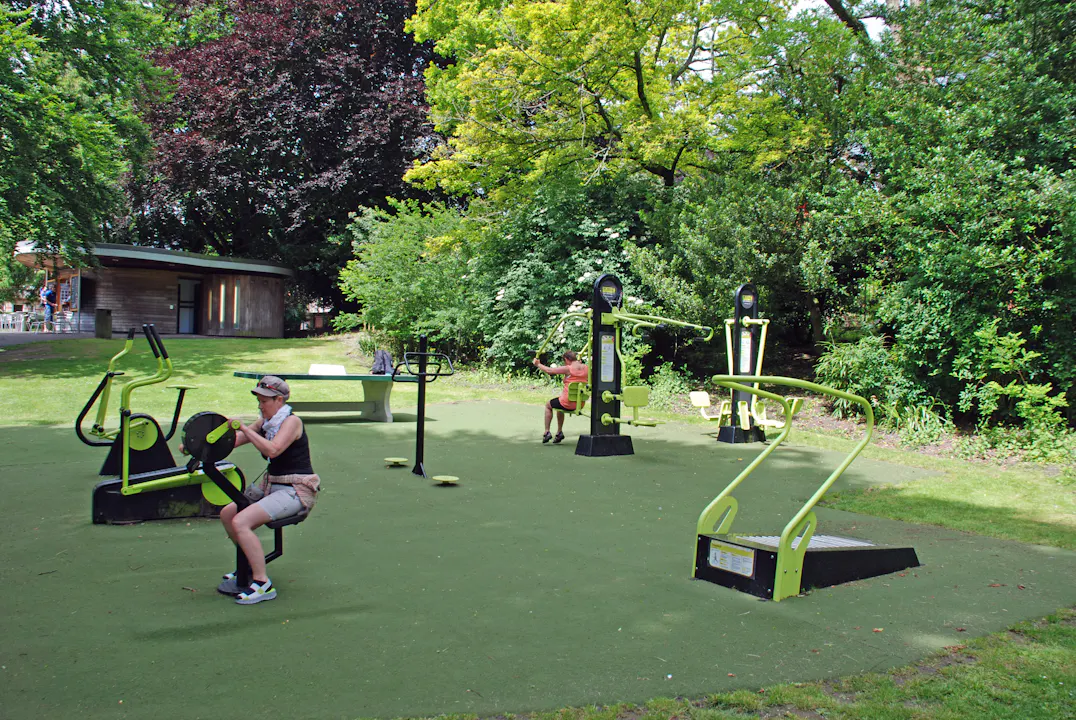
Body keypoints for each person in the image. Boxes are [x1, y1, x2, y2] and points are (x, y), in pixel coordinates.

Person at [217, 376, 321, 604]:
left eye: (264, 400)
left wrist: (246, 427)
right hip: (272, 485)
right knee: (228, 514)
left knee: (240, 522)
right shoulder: (264, 422)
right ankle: (247, 566)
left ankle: (263, 583)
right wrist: (199, 445)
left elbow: (273, 450)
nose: (260, 405)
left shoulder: (292, 422)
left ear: (279, 400)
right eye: (259, 400)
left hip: (295, 490)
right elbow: (233, 441)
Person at [532, 350, 589, 443]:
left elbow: (550, 371)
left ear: (566, 359)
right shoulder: (586, 368)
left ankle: (547, 431)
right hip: (579, 403)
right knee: (558, 406)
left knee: (548, 405)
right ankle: (559, 432)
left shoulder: (568, 369)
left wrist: (538, 364)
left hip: (567, 403)